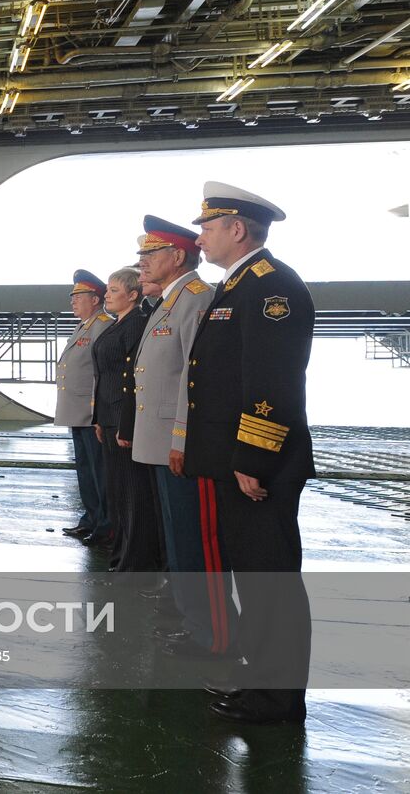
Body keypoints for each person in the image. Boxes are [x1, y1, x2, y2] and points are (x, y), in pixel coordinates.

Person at [186, 182, 313, 725]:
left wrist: (252, 459)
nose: (200, 238)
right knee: (255, 580)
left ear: (237, 229)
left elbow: (271, 382)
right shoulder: (238, 285)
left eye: (207, 227)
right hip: (236, 462)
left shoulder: (269, 288)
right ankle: (262, 685)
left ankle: (277, 698)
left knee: (269, 583)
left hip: (258, 466)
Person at [129, 216, 230, 660]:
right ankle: (191, 620)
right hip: (159, 441)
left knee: (193, 540)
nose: (142, 263)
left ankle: (209, 634)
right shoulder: (170, 302)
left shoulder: (195, 299)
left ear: (176, 257)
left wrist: (182, 439)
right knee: (177, 537)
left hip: (179, 444)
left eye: (150, 255)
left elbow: (197, 377)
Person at [90, 267, 160, 574]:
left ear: (133, 295)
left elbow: (132, 378)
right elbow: (103, 375)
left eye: (114, 290)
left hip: (123, 419)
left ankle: (136, 559)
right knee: (117, 491)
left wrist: (125, 423)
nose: (107, 295)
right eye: (107, 290)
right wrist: (98, 418)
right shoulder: (116, 324)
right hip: (108, 417)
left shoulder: (135, 324)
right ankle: (121, 554)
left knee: (133, 494)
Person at [54, 270, 113, 543]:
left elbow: (102, 373)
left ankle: (105, 524)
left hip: (91, 414)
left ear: (95, 298)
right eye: (72, 297)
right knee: (86, 470)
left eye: (78, 296)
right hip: (78, 413)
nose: (72, 302)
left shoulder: (102, 325)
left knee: (100, 472)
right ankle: (90, 519)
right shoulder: (84, 325)